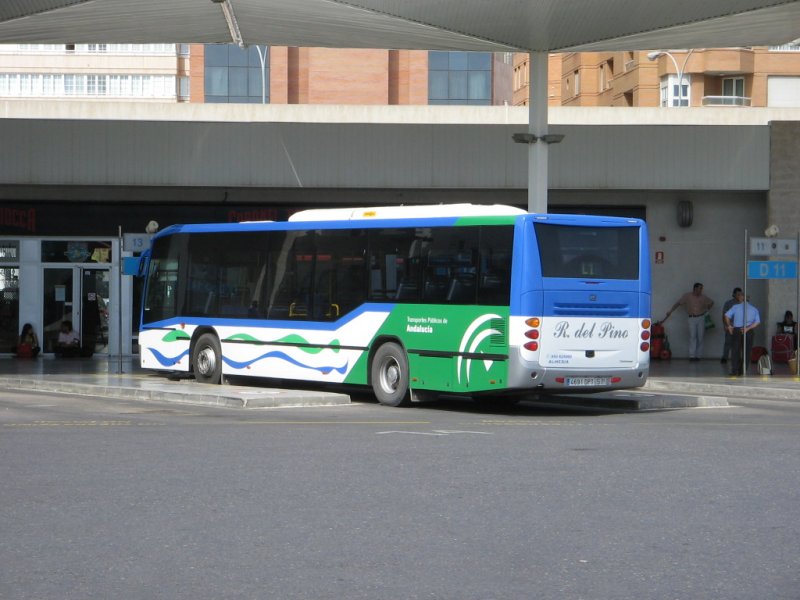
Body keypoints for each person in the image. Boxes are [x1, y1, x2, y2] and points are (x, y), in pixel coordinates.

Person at [663, 282, 714, 361]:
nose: (701, 290)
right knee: (692, 336)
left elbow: (711, 302)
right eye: (700, 288)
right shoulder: (687, 296)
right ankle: (692, 356)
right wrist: (670, 311)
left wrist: (707, 310)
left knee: (700, 337)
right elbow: (678, 303)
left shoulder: (703, 297)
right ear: (695, 288)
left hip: (701, 318)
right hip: (691, 318)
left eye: (701, 289)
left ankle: (698, 356)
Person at [724, 290, 761, 376]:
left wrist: (729, 326)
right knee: (747, 351)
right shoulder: (754, 309)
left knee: (735, 350)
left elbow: (726, 316)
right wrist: (748, 328)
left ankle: (734, 370)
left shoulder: (735, 307)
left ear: (742, 298)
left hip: (737, 330)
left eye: (740, 296)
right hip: (749, 331)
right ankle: (742, 370)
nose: (739, 297)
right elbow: (757, 322)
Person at [720, 287, 742, 364]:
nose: (740, 296)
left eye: (741, 294)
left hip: (740, 326)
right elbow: (724, 315)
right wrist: (725, 325)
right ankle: (724, 357)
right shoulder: (728, 303)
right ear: (733, 294)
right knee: (728, 342)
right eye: (738, 294)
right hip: (730, 325)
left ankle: (737, 358)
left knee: (738, 343)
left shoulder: (743, 303)